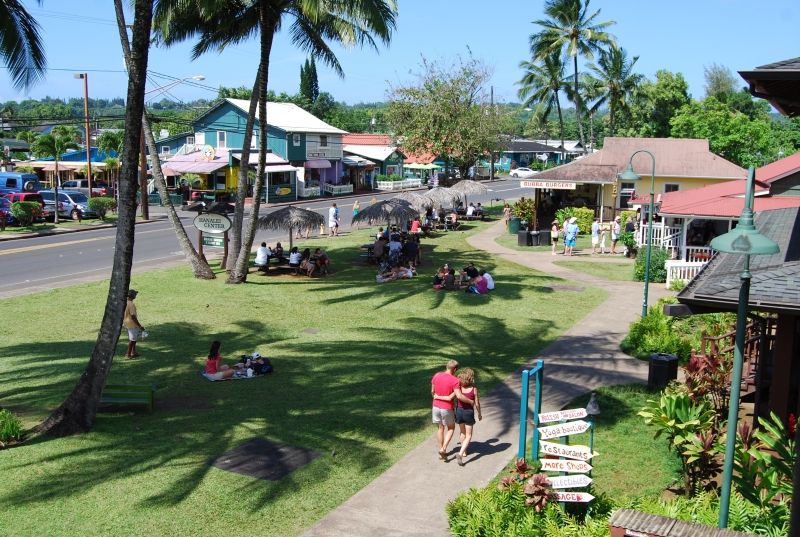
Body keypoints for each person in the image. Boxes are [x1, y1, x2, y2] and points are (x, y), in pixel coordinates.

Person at [431, 360, 461, 461]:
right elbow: (452, 397)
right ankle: (443, 449)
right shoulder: (455, 380)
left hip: (435, 406)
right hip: (447, 408)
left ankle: (441, 452)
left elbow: (432, 391)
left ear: (446, 366)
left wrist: (437, 397)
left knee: (440, 428)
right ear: (455, 369)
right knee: (451, 428)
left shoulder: (437, 375)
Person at [453, 368, 481, 466]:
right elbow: (477, 403)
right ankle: (460, 453)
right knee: (469, 435)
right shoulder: (474, 390)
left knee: (462, 432)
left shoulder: (459, 388)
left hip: (459, 411)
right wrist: (479, 414)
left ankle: (464, 451)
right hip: (469, 413)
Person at [123, 289, 145, 359]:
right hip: (132, 324)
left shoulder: (126, 302)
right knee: (132, 340)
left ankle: (133, 352)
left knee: (133, 339)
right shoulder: (131, 304)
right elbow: (133, 317)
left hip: (127, 323)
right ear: (133, 296)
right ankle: (128, 354)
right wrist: (140, 326)